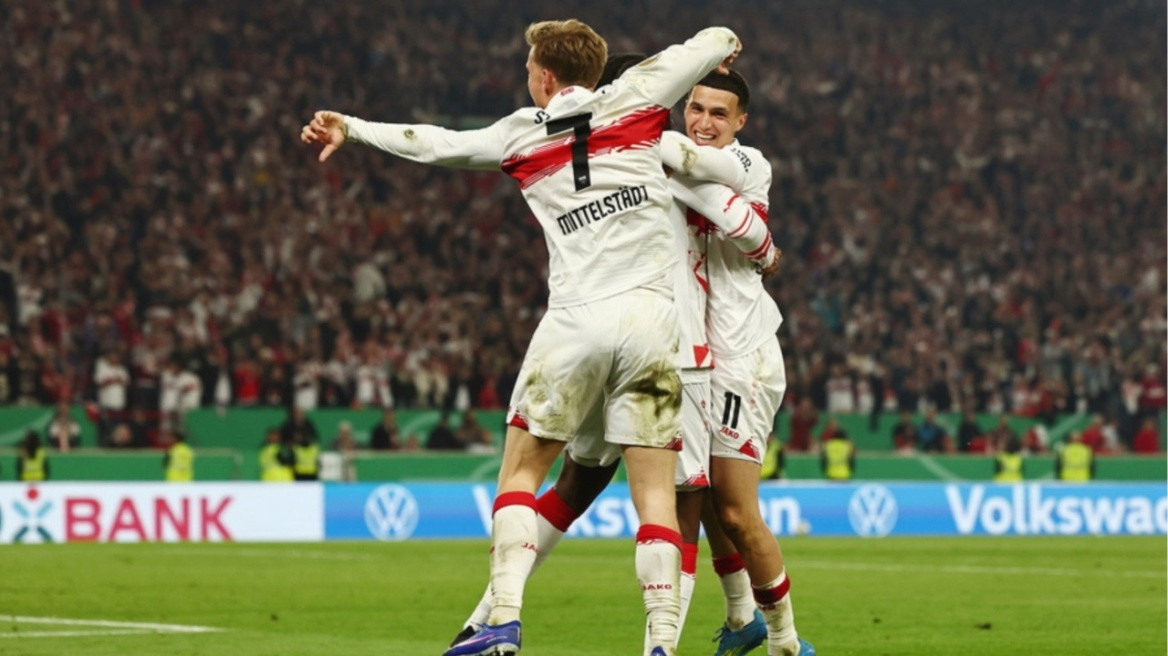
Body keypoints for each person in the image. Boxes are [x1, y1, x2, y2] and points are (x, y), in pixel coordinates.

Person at [303, 21, 743, 656]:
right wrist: (724, 44)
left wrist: (352, 125)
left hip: (576, 320)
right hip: (653, 324)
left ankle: (503, 621)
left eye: (529, 69)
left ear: (544, 77)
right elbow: (707, 41)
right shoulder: (639, 97)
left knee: (522, 471)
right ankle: (659, 645)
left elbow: (435, 143)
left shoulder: (520, 133)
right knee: (655, 496)